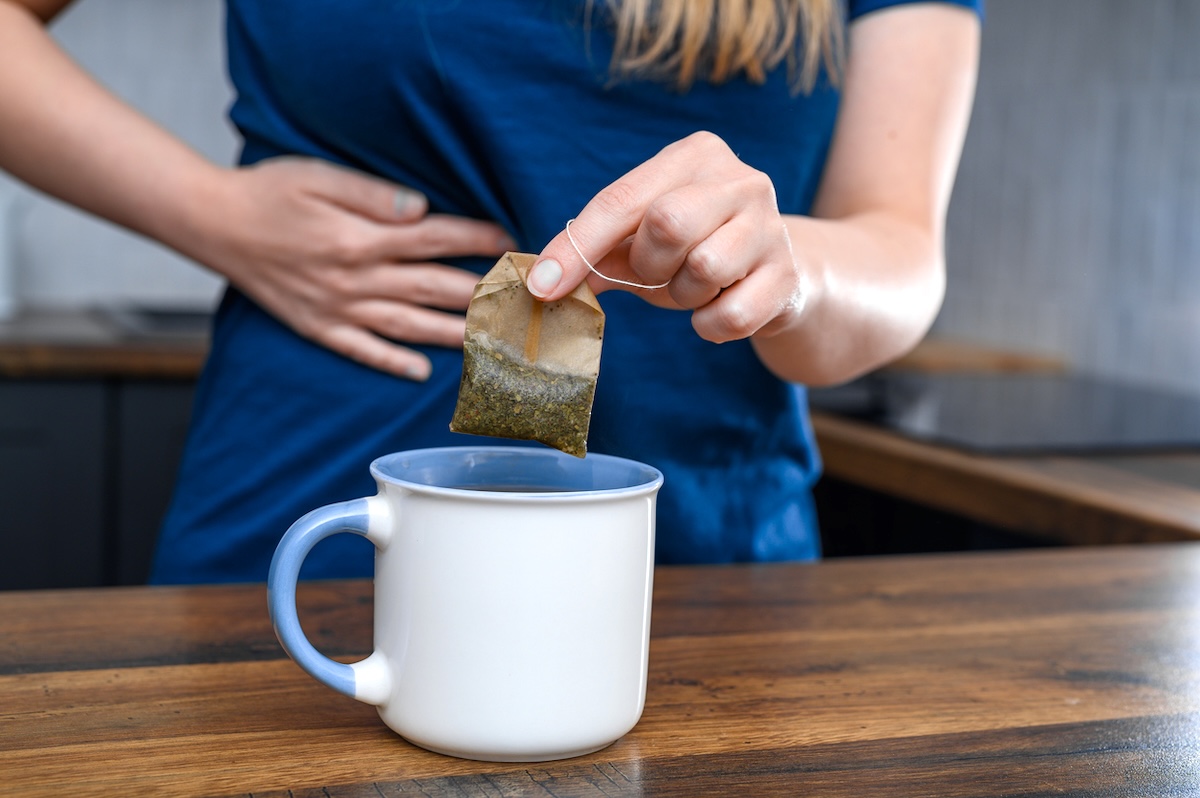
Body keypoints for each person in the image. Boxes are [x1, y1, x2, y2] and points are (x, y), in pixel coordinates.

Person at [0, 0, 981, 583]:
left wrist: (790, 269)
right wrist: (209, 213)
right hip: (315, 544)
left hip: (696, 581)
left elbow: (901, 251)